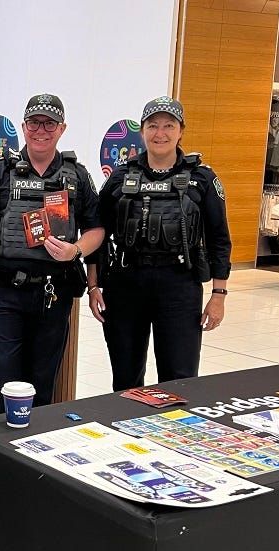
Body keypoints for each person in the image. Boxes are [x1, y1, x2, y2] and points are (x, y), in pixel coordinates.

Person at [0, 94, 104, 416]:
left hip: (53, 294)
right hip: (3, 293)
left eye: (49, 123)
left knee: (42, 381)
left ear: (62, 128)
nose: (41, 130)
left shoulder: (77, 176)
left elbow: (97, 231)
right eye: (34, 123)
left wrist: (75, 250)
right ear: (24, 127)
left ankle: (34, 456)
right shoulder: (1, 172)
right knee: (0, 377)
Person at [87, 96, 231, 391]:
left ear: (181, 131)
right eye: (153, 126)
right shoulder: (120, 177)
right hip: (126, 285)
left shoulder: (201, 178)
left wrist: (219, 295)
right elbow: (97, 234)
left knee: (179, 379)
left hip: (179, 286)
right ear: (142, 131)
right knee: (126, 378)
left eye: (169, 125)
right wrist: (93, 285)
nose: (160, 133)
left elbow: (219, 239)